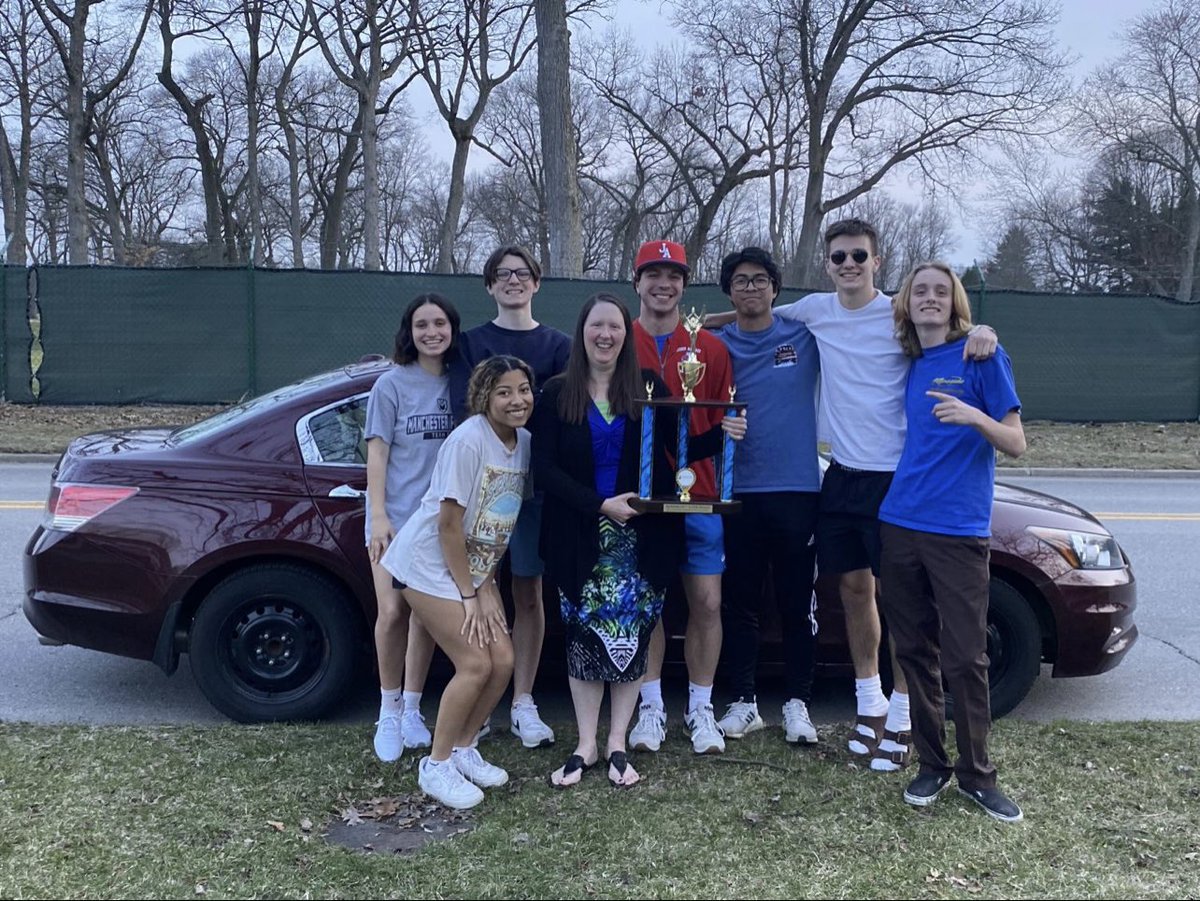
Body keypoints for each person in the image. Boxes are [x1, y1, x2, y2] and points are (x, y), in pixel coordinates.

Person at [708, 219, 996, 771]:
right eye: (839, 257)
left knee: (903, 604)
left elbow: (945, 330)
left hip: (896, 479)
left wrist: (983, 330)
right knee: (854, 593)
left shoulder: (898, 314)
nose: (848, 265)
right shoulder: (815, 310)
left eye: (858, 256)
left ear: (877, 261)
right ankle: (870, 705)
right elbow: (753, 314)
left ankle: (906, 715)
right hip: (840, 477)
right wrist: (699, 324)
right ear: (827, 264)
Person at [530, 294, 746, 788]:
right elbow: (543, 469)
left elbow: (678, 446)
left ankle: (617, 744)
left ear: (625, 337)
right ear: (582, 331)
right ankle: (586, 744)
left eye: (614, 328)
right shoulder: (556, 392)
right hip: (580, 534)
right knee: (585, 641)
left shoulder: (647, 385)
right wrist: (597, 504)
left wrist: (724, 431)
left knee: (631, 638)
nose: (605, 335)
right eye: (596, 326)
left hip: (641, 534)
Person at [878, 261, 1026, 822]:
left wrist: (973, 416)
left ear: (956, 301)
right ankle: (932, 765)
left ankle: (977, 776)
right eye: (921, 291)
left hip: (958, 532)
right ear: (908, 303)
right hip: (900, 524)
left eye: (941, 291)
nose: (931, 299)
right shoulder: (911, 359)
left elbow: (1016, 441)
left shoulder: (983, 355)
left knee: (966, 658)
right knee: (913, 652)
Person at [381, 355, 535, 810]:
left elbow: (495, 521)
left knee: (503, 660)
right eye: (503, 392)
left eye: (523, 389)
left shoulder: (523, 442)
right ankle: (437, 764)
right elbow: (450, 526)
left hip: (472, 571)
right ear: (483, 397)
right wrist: (471, 594)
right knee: (474, 664)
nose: (515, 400)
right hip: (427, 565)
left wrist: (486, 585)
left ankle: (465, 749)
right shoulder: (467, 441)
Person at [448, 245, 571, 749]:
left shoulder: (561, 346)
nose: (514, 281)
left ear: (537, 283)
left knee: (527, 596)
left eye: (523, 274)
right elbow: (466, 414)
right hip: (480, 498)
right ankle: (477, 706)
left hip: (535, 492)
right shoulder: (470, 343)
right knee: (476, 595)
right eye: (504, 274)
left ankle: (523, 702)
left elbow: (564, 420)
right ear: (490, 284)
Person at [627, 240, 736, 756]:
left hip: (702, 496)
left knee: (708, 602)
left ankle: (700, 707)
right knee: (648, 604)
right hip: (640, 499)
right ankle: (650, 706)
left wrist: (733, 430)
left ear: (684, 286)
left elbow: (718, 419)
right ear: (637, 282)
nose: (663, 283)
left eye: (673, 275)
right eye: (653, 273)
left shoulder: (710, 348)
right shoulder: (617, 341)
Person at [711, 248, 822, 746]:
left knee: (797, 603)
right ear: (729, 291)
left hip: (798, 492)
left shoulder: (805, 336)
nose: (751, 288)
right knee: (741, 603)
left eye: (759, 280)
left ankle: (798, 703)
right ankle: (743, 701)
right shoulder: (712, 346)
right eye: (740, 281)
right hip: (737, 493)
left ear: (776, 288)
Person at [367, 294, 457, 762]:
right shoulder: (391, 385)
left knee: (425, 616)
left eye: (439, 323)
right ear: (410, 330)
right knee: (392, 613)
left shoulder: (460, 383)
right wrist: (379, 516)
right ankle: (387, 710)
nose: (431, 332)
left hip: (438, 522)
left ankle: (413, 711)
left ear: (451, 329)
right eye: (422, 324)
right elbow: (378, 453)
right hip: (395, 518)